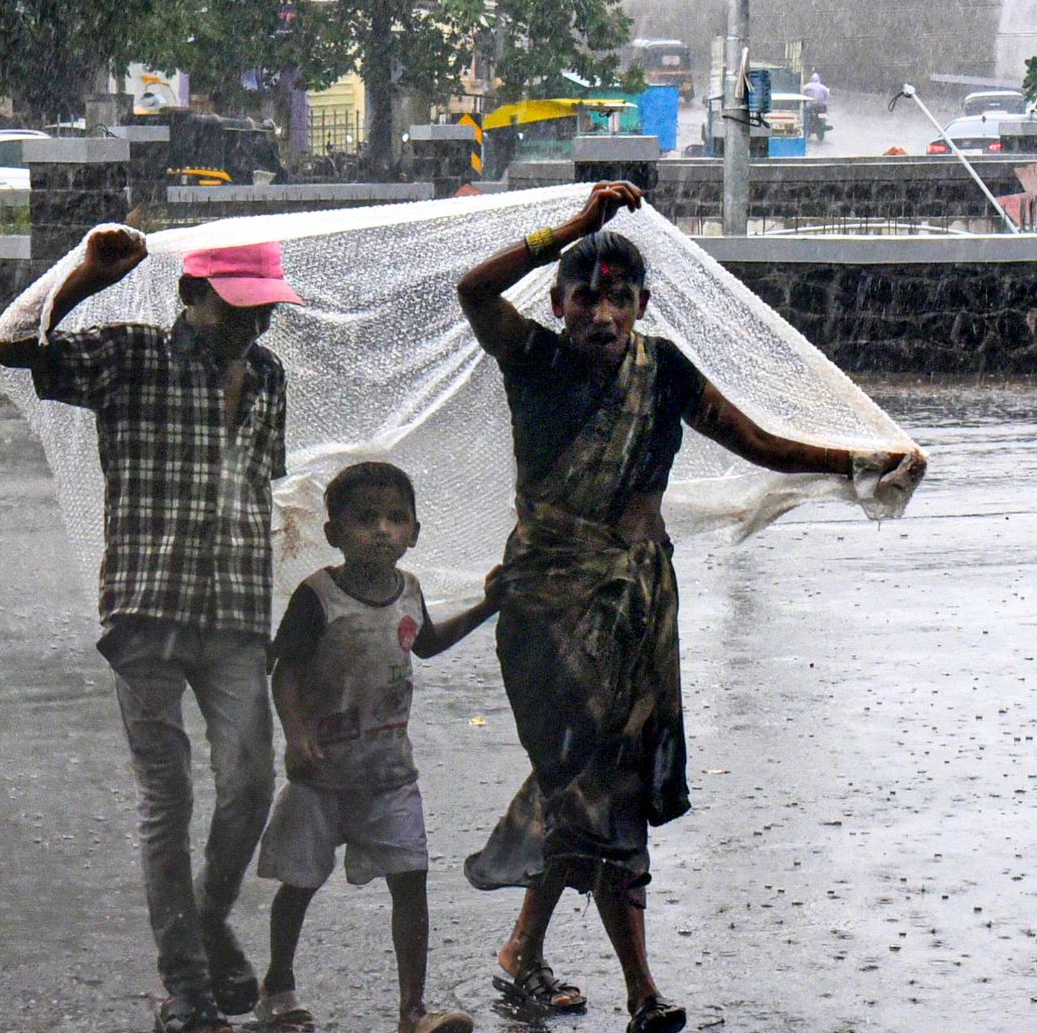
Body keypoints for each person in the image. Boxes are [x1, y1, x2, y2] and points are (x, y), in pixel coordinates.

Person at [454, 182, 923, 1033]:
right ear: (558, 303)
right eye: (585, 294)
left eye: (619, 298)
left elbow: (762, 443)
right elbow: (472, 291)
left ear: (642, 306)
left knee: (598, 789)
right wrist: (570, 228)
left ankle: (527, 954)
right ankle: (639, 991)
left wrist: (862, 460)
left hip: (636, 607)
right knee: (590, 786)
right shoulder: (536, 361)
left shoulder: (661, 371)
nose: (601, 312)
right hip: (551, 609)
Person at [0, 228, 302, 1033]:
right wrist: (84, 276)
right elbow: (13, 348)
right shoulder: (129, 355)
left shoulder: (268, 377)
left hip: (234, 611)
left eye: (262, 311)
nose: (250, 327)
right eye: (236, 309)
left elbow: (263, 487)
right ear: (188, 298)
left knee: (250, 783)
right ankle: (185, 986)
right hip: (146, 609)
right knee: (169, 795)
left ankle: (207, 915)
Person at [253, 462, 497, 1033]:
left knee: (410, 881)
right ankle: (278, 984)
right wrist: (296, 733)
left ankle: (413, 1009)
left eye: (395, 519)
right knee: (300, 882)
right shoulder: (318, 596)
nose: (382, 531)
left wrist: (488, 605)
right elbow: (285, 672)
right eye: (365, 520)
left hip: (389, 775)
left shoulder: (409, 589)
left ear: (415, 531)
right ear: (333, 531)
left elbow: (428, 644)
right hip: (321, 775)